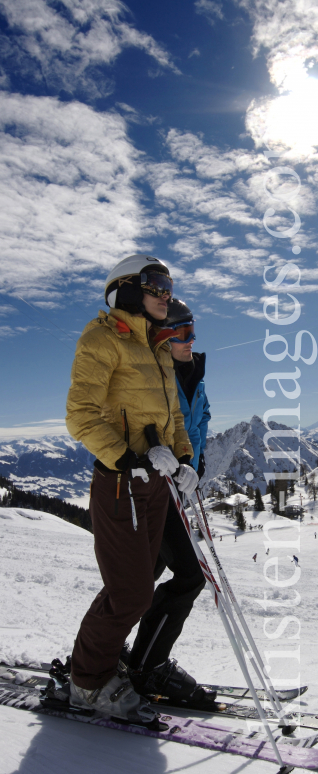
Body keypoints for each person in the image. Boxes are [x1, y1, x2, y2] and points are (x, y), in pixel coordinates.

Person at [66, 254, 199, 724]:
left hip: (156, 485)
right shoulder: (102, 338)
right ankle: (86, 682)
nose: (166, 294)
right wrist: (132, 459)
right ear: (124, 289)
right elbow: (80, 414)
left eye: (168, 286)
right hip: (121, 482)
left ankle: (102, 663)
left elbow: (174, 420)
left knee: (133, 588)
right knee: (131, 593)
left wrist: (183, 459)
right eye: (156, 284)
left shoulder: (158, 349)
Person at [126, 298, 215, 708]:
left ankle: (107, 653)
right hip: (155, 485)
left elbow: (199, 424)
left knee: (141, 580)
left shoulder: (193, 373)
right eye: (182, 333)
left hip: (180, 484)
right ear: (161, 336)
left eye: (192, 332)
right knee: (190, 577)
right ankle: (147, 666)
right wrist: (167, 461)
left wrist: (196, 465)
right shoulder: (154, 374)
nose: (190, 341)